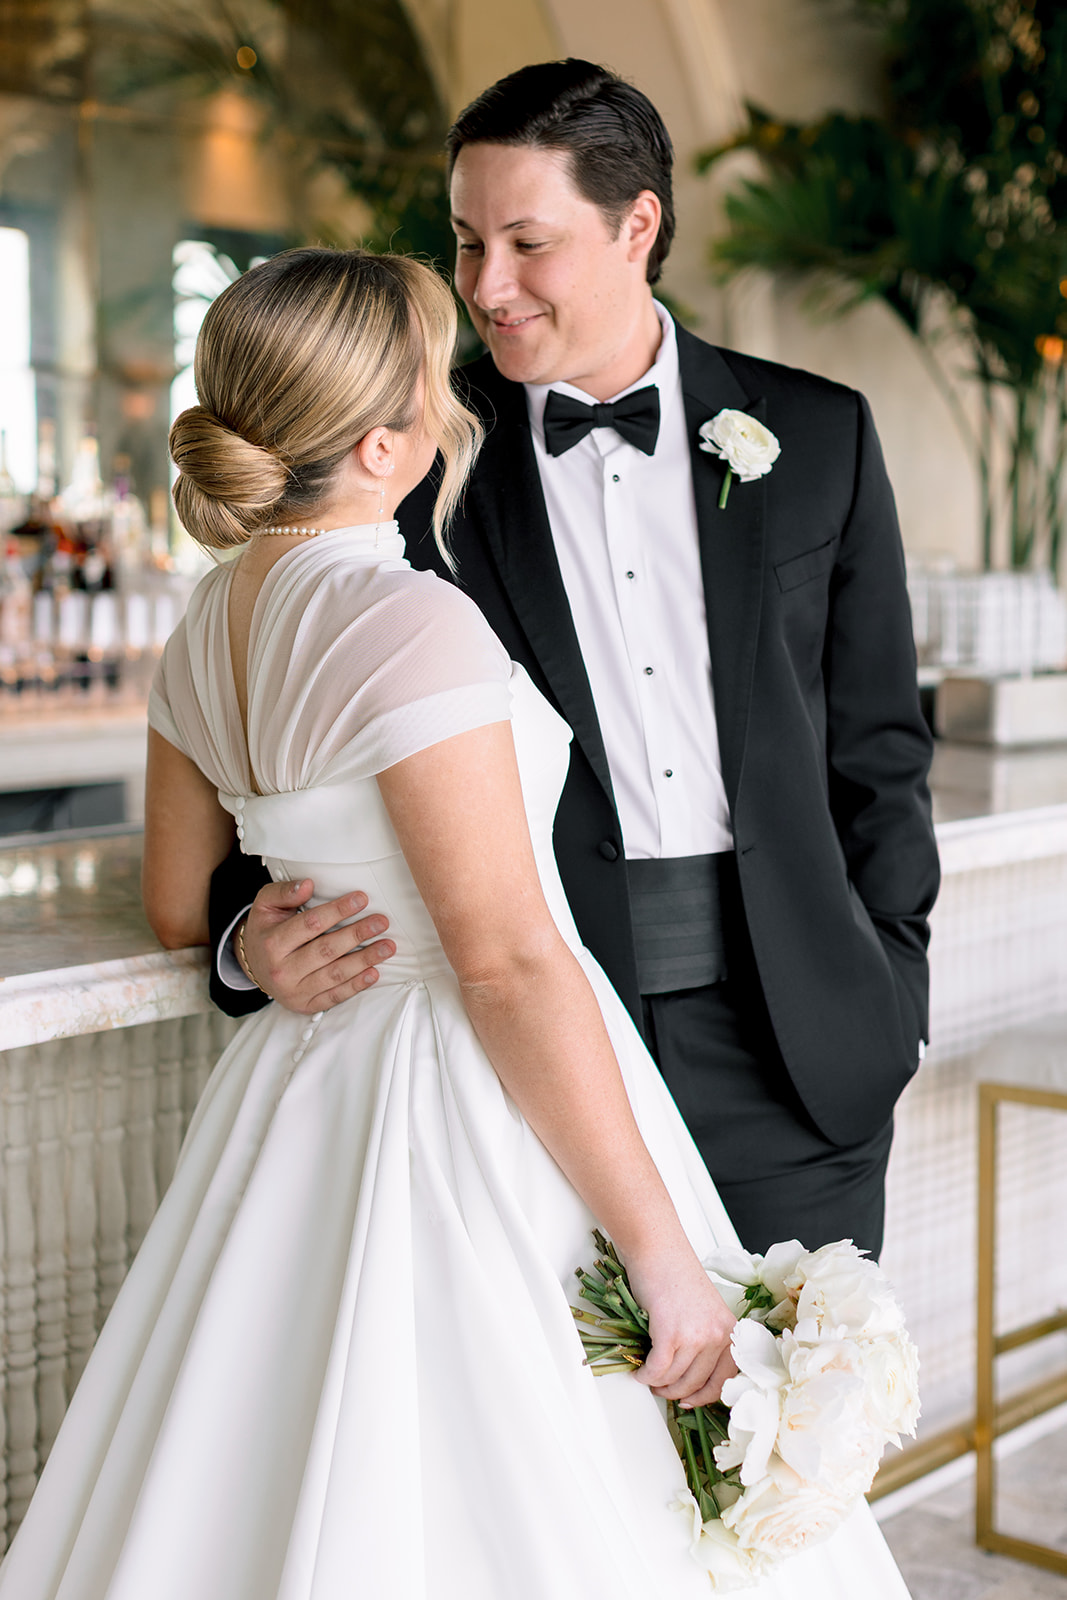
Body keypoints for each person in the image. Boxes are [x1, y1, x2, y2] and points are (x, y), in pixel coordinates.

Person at [0, 248, 910, 1599]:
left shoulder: (206, 622)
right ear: (383, 443)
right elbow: (502, 957)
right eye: (435, 386)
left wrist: (250, 946)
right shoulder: (405, 621)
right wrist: (663, 1261)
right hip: (460, 1101)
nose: (456, 408)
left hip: (299, 1089)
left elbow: (174, 899)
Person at [212, 60, 940, 1259]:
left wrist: (891, 996)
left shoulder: (817, 435)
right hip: (528, 1051)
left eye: (523, 241)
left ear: (635, 225)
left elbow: (879, 750)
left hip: (801, 1049)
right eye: (463, 242)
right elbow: (265, 728)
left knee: (795, 1426)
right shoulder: (402, 463)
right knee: (587, 1441)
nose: (484, 287)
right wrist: (243, 940)